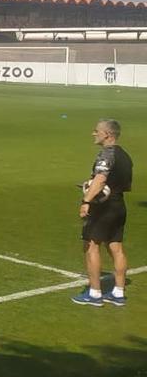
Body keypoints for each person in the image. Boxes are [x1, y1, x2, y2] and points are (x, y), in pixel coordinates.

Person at [73, 119, 133, 307]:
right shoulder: (125, 155)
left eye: (96, 130)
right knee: (116, 247)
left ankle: (95, 294)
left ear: (107, 134)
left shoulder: (106, 155)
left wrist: (86, 201)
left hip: (103, 207)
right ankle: (118, 292)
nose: (94, 133)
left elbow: (100, 180)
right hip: (119, 205)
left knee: (91, 245)